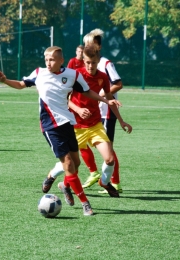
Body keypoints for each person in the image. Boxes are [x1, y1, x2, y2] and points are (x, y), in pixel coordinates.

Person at [0, 46, 121, 216]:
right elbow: (20, 84)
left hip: (68, 124)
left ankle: (62, 184)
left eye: (52, 59)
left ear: (61, 61)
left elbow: (88, 91)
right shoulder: (39, 73)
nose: (48, 63)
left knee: (76, 164)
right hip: (50, 126)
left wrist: (106, 101)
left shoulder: (72, 75)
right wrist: (5, 80)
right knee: (68, 164)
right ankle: (85, 203)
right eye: (46, 59)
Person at [42, 44, 132, 197]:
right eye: (88, 63)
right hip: (75, 126)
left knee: (110, 159)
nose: (91, 66)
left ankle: (104, 182)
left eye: (94, 63)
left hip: (95, 124)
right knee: (71, 164)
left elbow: (109, 99)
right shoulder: (75, 75)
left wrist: (122, 121)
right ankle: (52, 176)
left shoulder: (103, 77)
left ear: (98, 61)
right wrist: (78, 109)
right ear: (83, 61)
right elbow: (65, 99)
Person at [80, 29, 125, 193]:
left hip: (106, 111)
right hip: (92, 112)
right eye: (85, 44)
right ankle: (95, 173)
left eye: (89, 44)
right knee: (81, 143)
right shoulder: (86, 64)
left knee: (108, 150)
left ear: (97, 46)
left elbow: (118, 83)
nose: (86, 46)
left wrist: (102, 94)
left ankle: (114, 182)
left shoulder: (105, 63)